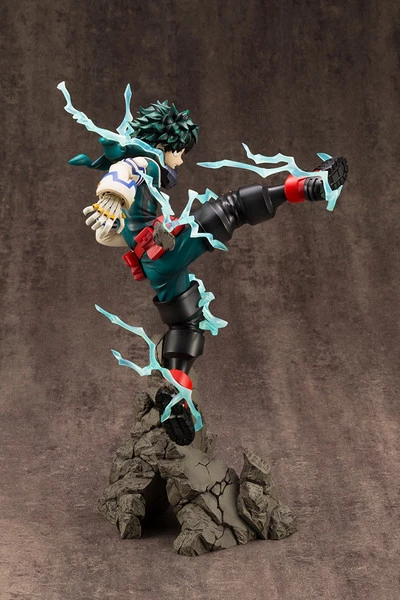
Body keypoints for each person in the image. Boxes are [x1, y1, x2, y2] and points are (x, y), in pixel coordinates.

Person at [69, 98, 349, 446]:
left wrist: (122, 220)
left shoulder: (144, 182)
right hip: (165, 250)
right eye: (180, 152)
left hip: (156, 266)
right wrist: (112, 197)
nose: (180, 160)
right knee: (232, 208)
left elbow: (110, 233)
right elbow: (124, 172)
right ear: (166, 145)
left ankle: (176, 393)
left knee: (187, 323)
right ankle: (309, 187)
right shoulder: (147, 162)